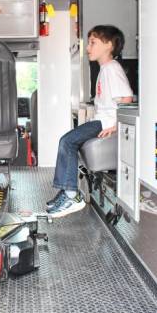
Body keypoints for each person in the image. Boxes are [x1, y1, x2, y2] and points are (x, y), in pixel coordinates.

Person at [46, 25, 133, 218]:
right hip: (101, 120)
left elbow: (127, 99)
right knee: (68, 141)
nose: (88, 48)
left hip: (104, 122)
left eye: (93, 43)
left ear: (109, 45)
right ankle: (67, 191)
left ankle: (71, 195)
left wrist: (115, 125)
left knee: (67, 141)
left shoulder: (112, 68)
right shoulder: (105, 69)